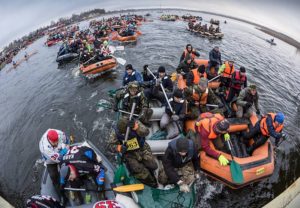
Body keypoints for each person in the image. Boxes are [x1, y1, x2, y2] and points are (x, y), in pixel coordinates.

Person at [108, 117, 158, 187]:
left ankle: (151, 172)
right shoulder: (115, 132)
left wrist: (137, 128)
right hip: (129, 153)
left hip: (142, 148)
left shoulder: (135, 123)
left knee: (154, 166)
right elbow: (110, 146)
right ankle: (151, 183)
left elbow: (146, 132)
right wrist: (119, 148)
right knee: (139, 170)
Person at [39, 129, 70, 195]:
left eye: (57, 140)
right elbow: (59, 158)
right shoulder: (45, 148)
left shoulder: (60, 134)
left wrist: (67, 147)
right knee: (54, 176)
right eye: (54, 142)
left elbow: (67, 141)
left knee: (70, 162)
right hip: (50, 160)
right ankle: (61, 193)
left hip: (59, 151)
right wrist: (65, 150)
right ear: (49, 140)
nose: (56, 143)